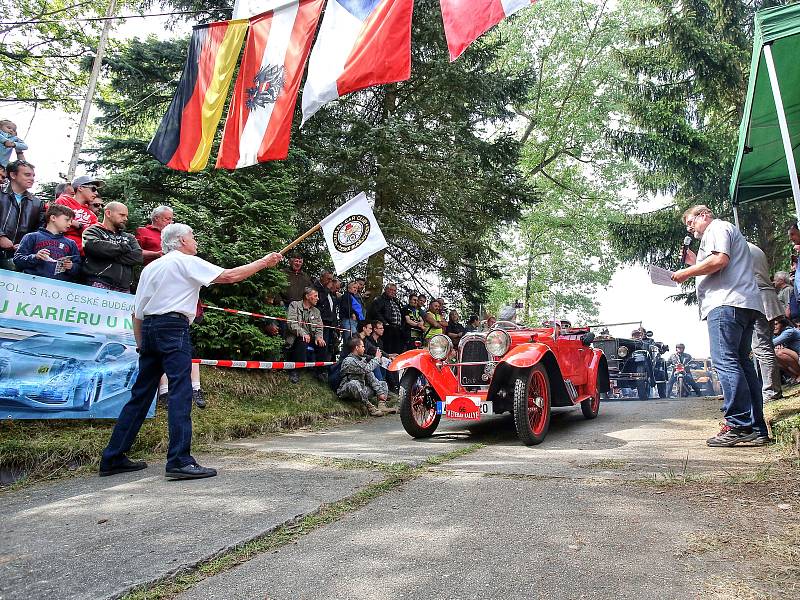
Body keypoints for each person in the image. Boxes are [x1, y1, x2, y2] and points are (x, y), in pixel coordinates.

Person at [99, 223, 283, 480]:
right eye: (193, 237)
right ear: (182, 241)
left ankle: (113, 457)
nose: (195, 242)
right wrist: (263, 262)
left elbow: (137, 312)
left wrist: (141, 344)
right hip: (173, 328)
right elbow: (229, 276)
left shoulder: (151, 267)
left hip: (149, 330)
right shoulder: (186, 261)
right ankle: (179, 459)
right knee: (180, 391)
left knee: (140, 395)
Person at [672, 205, 768, 446]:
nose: (690, 228)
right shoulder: (722, 232)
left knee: (726, 361)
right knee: (743, 365)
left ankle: (737, 424)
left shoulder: (717, 227)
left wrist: (686, 272)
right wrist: (695, 263)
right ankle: (756, 428)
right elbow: (715, 264)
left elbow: (720, 260)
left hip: (726, 304)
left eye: (691, 222)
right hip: (742, 303)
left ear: (704, 215)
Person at [748, 242, 783, 401]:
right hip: (764, 296)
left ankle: (771, 392)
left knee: (761, 347)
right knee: (763, 346)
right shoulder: (754, 248)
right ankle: (769, 389)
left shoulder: (738, 247)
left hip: (758, 297)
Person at [82, 202, 143, 292]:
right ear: (108, 213)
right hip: (98, 282)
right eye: (122, 215)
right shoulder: (92, 231)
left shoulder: (129, 237)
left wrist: (106, 255)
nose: (125, 219)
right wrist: (124, 248)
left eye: (126, 216)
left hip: (124, 288)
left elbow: (138, 257)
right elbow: (93, 246)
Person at [13, 204, 81, 280]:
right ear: (53, 218)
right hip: (32, 283)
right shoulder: (31, 237)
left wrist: (71, 267)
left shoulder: (71, 243)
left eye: (71, 221)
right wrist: (35, 257)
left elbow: (78, 267)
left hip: (58, 287)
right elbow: (17, 260)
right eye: (67, 220)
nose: (70, 223)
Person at [0, 160, 44, 271]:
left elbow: (40, 229)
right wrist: (1, 236)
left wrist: (24, 245)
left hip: (15, 257)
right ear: (13, 175)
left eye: (33, 175)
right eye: (27, 174)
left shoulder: (37, 203)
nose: (32, 178)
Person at [337, 337, 389, 417]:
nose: (364, 349)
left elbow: (371, 377)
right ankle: (369, 406)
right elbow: (367, 369)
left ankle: (382, 406)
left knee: (382, 383)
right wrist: (377, 359)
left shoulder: (361, 360)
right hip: (347, 391)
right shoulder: (349, 361)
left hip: (361, 389)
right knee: (354, 383)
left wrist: (380, 393)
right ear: (357, 348)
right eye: (362, 346)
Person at [285, 286, 328, 384]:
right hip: (296, 336)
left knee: (322, 344)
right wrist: (302, 333)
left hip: (311, 337)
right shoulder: (294, 305)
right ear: (307, 296)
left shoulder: (316, 311)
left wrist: (319, 337)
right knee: (303, 340)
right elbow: (291, 323)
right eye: (315, 296)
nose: (318, 298)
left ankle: (320, 371)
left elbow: (319, 327)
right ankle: (295, 371)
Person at [54, 175, 103, 255]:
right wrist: (80, 226)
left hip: (82, 256)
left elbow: (92, 236)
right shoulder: (64, 201)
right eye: (93, 189)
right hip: (59, 250)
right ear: (80, 188)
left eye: (96, 190)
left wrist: (75, 224)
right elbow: (57, 223)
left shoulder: (92, 215)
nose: (96, 193)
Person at [369, 283, 404, 354]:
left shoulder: (396, 301)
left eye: (394, 290)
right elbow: (376, 312)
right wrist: (385, 323)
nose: (393, 292)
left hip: (397, 329)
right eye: (391, 290)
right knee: (388, 349)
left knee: (397, 350)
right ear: (385, 290)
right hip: (386, 328)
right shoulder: (379, 299)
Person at [772, 317, 800, 382]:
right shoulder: (780, 333)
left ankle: (798, 374)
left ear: (782, 324)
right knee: (773, 356)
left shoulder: (789, 331)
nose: (774, 327)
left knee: (779, 352)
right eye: (772, 325)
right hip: (797, 356)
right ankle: (794, 375)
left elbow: (771, 343)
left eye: (776, 324)